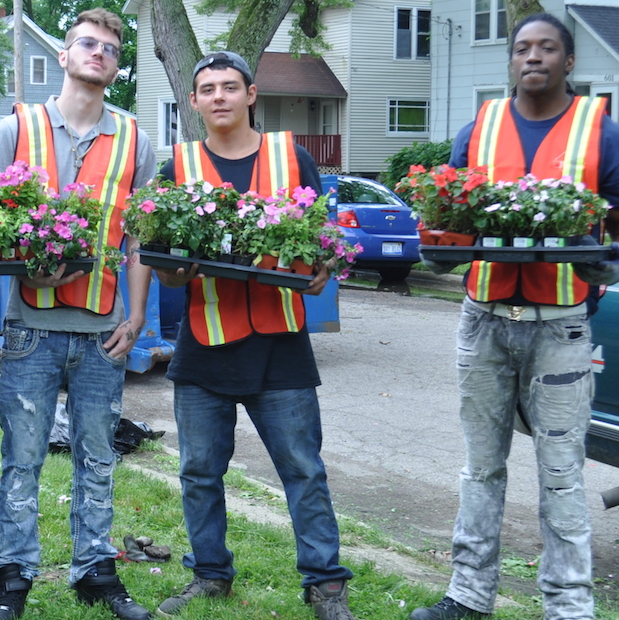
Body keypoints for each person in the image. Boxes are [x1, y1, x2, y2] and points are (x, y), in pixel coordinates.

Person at [409, 13, 619, 620]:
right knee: (481, 467)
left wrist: (616, 265)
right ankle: (468, 595)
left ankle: (569, 606)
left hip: (560, 325)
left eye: (547, 48)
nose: (532, 57)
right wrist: (438, 250)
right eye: (521, 49)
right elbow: (453, 226)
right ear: (510, 62)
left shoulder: (606, 137)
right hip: (483, 317)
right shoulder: (477, 132)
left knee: (562, 475)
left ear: (569, 63)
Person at [148, 51, 357, 620]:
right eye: (207, 89)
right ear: (193, 102)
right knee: (198, 472)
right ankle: (210, 575)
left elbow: (324, 244)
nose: (219, 96)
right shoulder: (178, 168)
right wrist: (174, 272)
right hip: (204, 339)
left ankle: (325, 585)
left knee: (303, 470)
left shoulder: (293, 156)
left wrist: (322, 272)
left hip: (280, 342)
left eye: (229, 87)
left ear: (251, 95)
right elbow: (164, 266)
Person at [0, 9, 156, 620]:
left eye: (110, 47)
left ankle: (95, 570)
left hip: (104, 329)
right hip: (32, 326)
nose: (99, 53)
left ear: (116, 63)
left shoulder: (135, 139)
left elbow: (139, 242)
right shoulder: (19, 128)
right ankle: (14, 573)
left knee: (97, 455)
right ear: (63, 54)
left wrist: (134, 320)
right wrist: (25, 266)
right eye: (88, 43)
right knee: (22, 456)